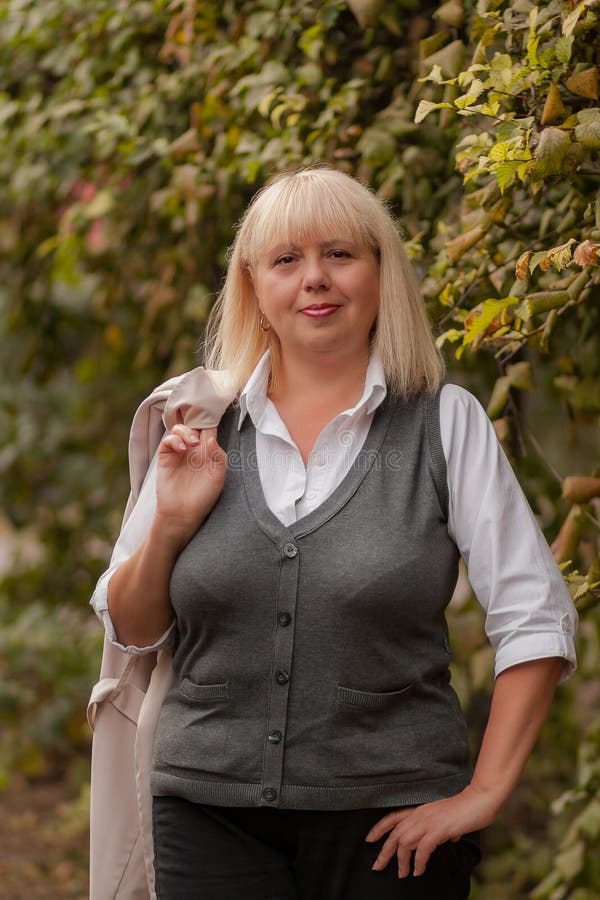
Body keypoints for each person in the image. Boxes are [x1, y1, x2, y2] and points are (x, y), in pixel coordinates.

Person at [89, 165, 578, 900]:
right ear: (255, 287)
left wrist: (481, 795)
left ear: (381, 275)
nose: (314, 279)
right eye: (286, 260)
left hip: (392, 828)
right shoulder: (200, 425)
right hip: (206, 809)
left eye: (340, 254)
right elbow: (132, 628)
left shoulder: (444, 424)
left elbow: (536, 621)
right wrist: (170, 525)